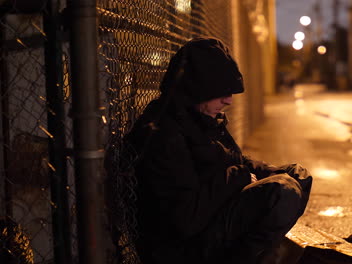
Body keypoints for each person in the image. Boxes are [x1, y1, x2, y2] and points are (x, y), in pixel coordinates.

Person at [123, 37, 313, 263]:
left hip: (210, 222)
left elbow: (233, 159)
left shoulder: (199, 118)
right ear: (196, 88)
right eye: (220, 91)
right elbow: (184, 219)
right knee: (282, 191)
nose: (229, 101)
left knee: (297, 175)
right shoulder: (162, 133)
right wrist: (239, 177)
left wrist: (266, 172)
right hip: (182, 249)